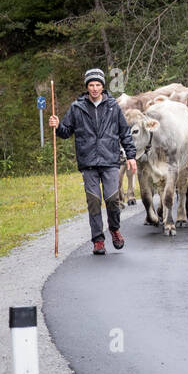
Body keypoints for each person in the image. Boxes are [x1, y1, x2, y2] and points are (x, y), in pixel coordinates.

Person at [49, 68, 137, 255]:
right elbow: (66, 132)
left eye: (98, 85)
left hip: (110, 160)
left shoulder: (113, 106)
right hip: (88, 161)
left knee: (113, 199)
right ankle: (98, 240)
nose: (95, 88)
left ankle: (114, 229)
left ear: (103, 86)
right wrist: (57, 126)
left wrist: (131, 156)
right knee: (94, 201)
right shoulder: (77, 107)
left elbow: (124, 132)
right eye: (91, 85)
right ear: (87, 87)